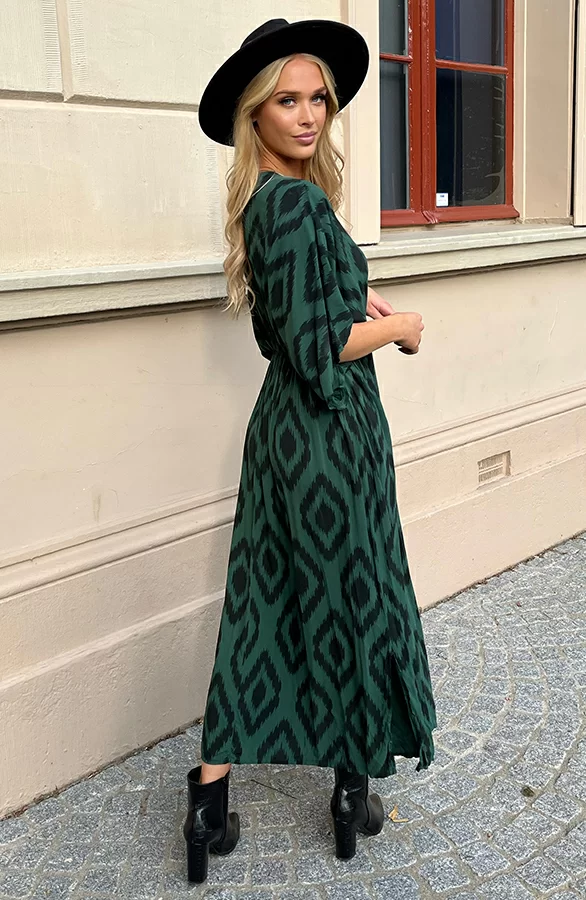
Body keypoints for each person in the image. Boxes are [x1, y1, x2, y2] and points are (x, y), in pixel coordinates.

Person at [183, 17, 437, 884]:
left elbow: (311, 307)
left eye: (317, 99)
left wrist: (362, 299)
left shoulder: (273, 200)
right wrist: (400, 327)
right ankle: (350, 794)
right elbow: (315, 345)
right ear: (255, 113)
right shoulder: (292, 204)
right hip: (328, 434)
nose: (307, 115)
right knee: (353, 602)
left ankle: (208, 806)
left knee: (261, 605)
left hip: (286, 439)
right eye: (286, 101)